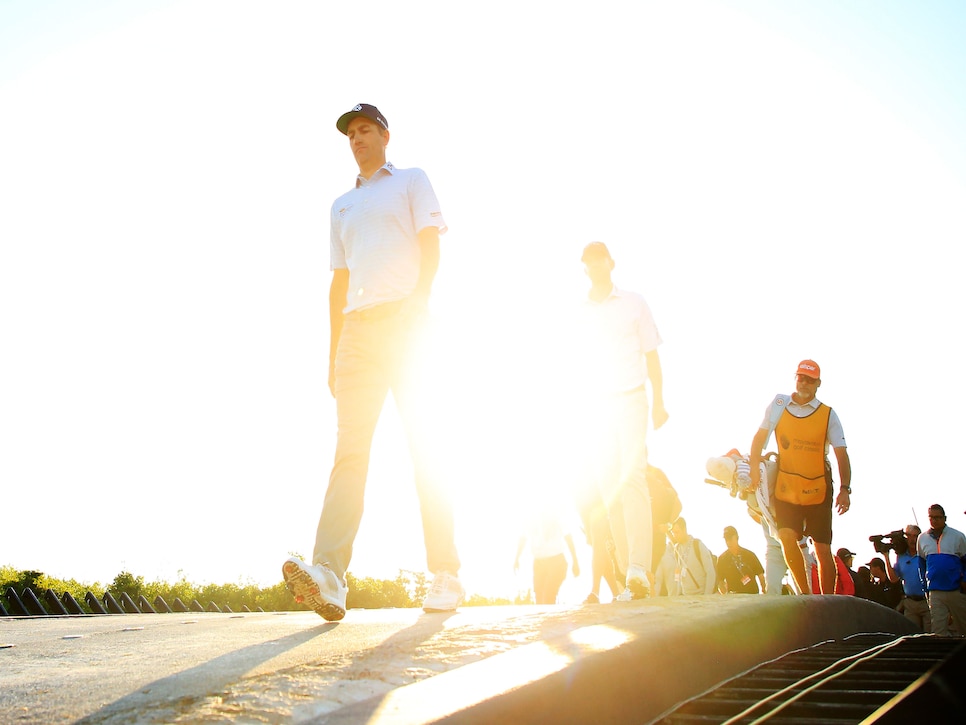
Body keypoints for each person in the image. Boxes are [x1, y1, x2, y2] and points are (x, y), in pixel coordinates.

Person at [282, 103, 462, 620]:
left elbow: (431, 245)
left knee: (426, 448)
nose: (357, 139)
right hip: (357, 335)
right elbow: (337, 283)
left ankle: (445, 572)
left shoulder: (411, 180)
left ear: (385, 135)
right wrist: (333, 349)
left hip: (408, 326)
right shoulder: (340, 205)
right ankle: (331, 576)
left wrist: (419, 301)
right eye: (350, 134)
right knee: (350, 453)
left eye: (365, 130)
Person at [577, 242, 668, 601]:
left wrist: (659, 401)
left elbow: (652, 355)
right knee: (607, 488)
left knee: (632, 478)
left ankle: (638, 570)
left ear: (610, 263)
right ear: (584, 268)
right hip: (596, 406)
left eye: (599, 258)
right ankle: (625, 572)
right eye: (588, 261)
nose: (594, 264)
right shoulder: (579, 312)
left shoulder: (634, 302)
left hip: (632, 399)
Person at [749, 359, 851, 595]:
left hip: (818, 486)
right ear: (795, 378)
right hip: (787, 485)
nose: (804, 383)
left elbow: (841, 453)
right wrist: (754, 466)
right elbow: (759, 437)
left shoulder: (828, 414)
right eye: (801, 377)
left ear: (818, 383)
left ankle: (826, 600)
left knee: (822, 548)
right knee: (786, 537)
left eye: (810, 379)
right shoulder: (779, 403)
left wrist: (845, 488)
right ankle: (805, 595)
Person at [514, 506, 581, 604]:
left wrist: (575, 561)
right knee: (540, 599)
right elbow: (523, 538)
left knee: (548, 596)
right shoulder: (530, 517)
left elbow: (568, 537)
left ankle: (552, 616)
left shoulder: (556, 516)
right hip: (538, 563)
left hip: (557, 562)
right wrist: (517, 559)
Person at [917, 504, 966, 636]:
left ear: (944, 518)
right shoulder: (922, 538)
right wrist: (925, 587)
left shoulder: (958, 536)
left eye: (938, 517)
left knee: (963, 626)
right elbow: (921, 565)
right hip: (935, 591)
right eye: (931, 517)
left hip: (956, 589)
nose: (934, 520)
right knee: (939, 631)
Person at [884, 525, 931, 632]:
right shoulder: (901, 556)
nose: (912, 539)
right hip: (910, 603)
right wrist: (886, 557)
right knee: (912, 636)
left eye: (915, 536)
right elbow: (894, 579)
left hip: (926, 601)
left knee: (930, 635)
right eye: (909, 536)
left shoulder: (925, 554)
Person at [655, 517, 717, 597]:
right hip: (686, 597)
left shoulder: (697, 545)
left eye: (677, 532)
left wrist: (706, 596)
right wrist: (677, 595)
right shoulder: (677, 549)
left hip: (701, 595)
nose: (675, 536)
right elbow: (678, 576)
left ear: (684, 530)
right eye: (673, 533)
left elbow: (710, 572)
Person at [717, 526, 766, 594]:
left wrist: (764, 590)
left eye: (730, 539)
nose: (728, 542)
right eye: (726, 539)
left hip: (752, 595)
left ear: (737, 537)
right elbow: (720, 581)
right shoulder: (722, 559)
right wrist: (724, 594)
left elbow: (760, 575)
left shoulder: (750, 555)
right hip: (734, 597)